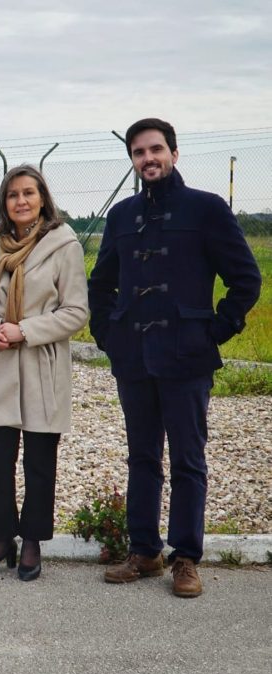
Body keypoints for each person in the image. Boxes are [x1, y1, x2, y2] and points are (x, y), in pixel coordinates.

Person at [89, 118, 261, 598]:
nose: (149, 158)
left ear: (175, 153)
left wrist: (214, 331)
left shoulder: (206, 209)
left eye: (156, 149)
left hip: (188, 356)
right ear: (132, 160)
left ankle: (186, 557)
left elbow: (245, 279)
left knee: (188, 459)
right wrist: (109, 335)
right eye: (140, 152)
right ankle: (144, 551)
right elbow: (100, 284)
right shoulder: (122, 216)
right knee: (142, 457)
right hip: (134, 359)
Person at [0, 165, 89, 582]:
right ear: (5, 202)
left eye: (29, 193)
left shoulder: (63, 245)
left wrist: (26, 330)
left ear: (42, 198)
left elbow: (76, 311)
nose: (21, 201)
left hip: (40, 366)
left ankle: (32, 541)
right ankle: (1, 538)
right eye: (13, 194)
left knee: (39, 462)